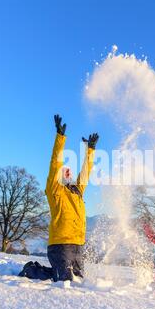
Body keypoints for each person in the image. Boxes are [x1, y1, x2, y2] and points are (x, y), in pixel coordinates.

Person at [45, 114, 99, 283]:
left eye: (69, 171)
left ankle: (48, 272)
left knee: (80, 281)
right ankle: (32, 271)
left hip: (78, 243)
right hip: (61, 243)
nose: (68, 173)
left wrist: (90, 150)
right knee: (65, 281)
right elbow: (55, 164)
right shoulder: (55, 190)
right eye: (64, 171)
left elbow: (86, 172)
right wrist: (60, 138)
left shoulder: (77, 191)